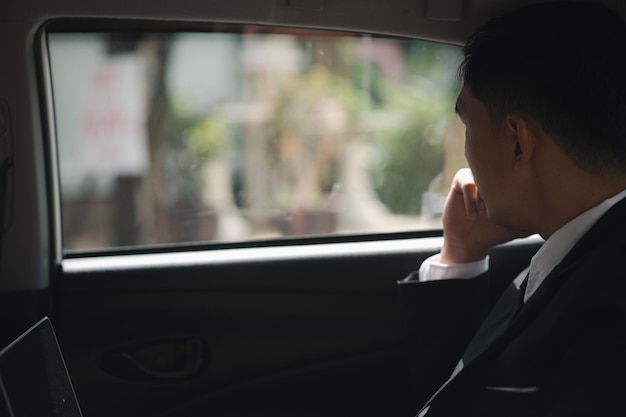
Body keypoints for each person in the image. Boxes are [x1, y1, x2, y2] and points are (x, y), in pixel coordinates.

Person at [397, 1, 626, 416]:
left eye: (467, 125)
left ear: (518, 140)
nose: (466, 156)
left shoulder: (610, 313)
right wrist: (461, 254)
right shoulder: (577, 252)